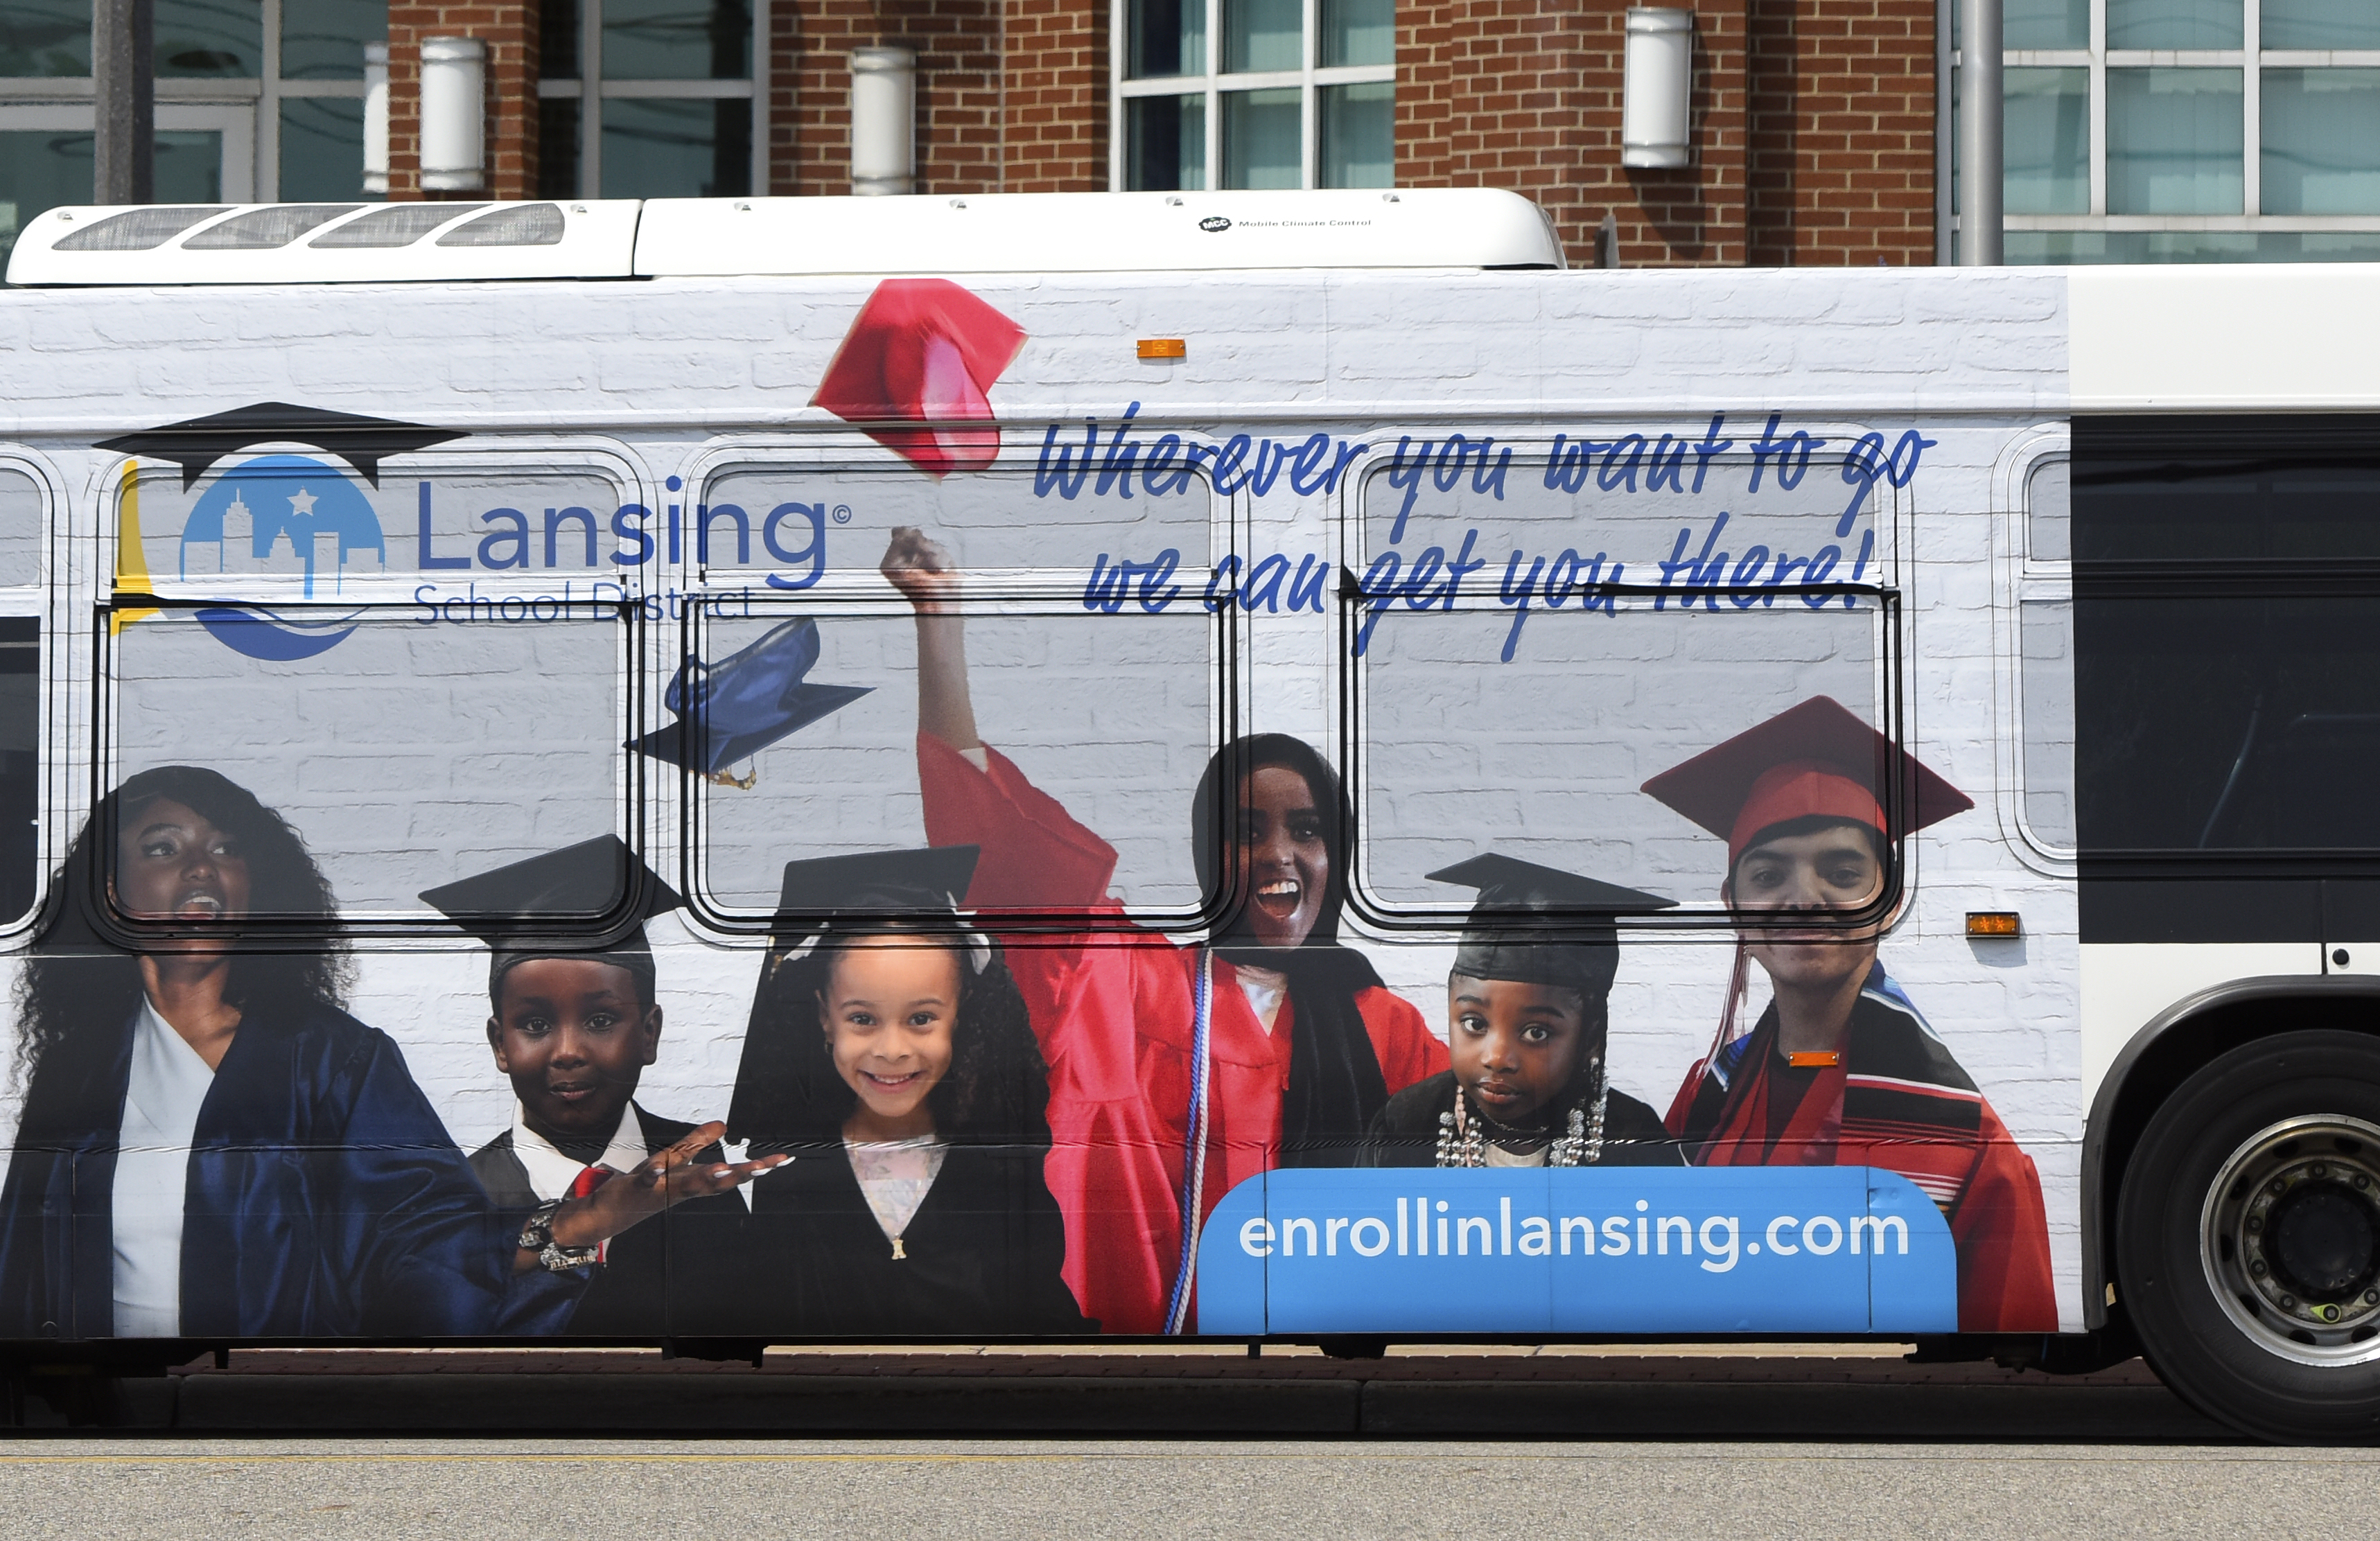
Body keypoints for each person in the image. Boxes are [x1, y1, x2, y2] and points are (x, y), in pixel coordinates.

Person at [881, 525, 1448, 1334]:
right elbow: (1005, 851)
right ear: (1204, 853)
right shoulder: (1131, 985)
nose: (1278, 854)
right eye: (1246, 829)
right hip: (1157, 1359)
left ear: (1338, 853)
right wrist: (939, 623)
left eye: (1308, 829)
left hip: (1330, 1354)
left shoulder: (1388, 1031)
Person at [0, 765, 525, 1341]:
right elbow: (25, 1265)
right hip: (106, 1392)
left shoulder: (332, 1060)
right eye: (162, 848)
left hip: (263, 1390)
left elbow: (424, 1232)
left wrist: (559, 1233)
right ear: (111, 892)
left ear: (253, 884)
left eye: (227, 849)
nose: (202, 867)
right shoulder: (78, 1069)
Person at [1643, 697, 2056, 1332]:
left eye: (1841, 872)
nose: (1804, 901)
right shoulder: (1705, 1097)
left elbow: (2004, 1363)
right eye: (1768, 875)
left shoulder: (1969, 1146)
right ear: (1733, 905)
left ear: (1890, 898)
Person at [584, 845, 1083, 1342]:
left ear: (961, 1013)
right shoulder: (784, 1172)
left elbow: (1042, 1316)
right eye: (862, 1019)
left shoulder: (998, 1172)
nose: (892, 1050)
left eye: (922, 1019)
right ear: (825, 1017)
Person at [417, 836, 721, 1226]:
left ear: (649, 1034)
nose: (568, 1052)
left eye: (600, 1021)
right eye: (536, 1025)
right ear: (500, 1046)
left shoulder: (696, 1165)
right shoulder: (461, 1199)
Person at [1360, 852, 1687, 1171]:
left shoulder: (1632, 1138)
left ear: (1589, 1034)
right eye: (1474, 1023)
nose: (1497, 1057)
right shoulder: (1406, 1123)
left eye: (1536, 1032)